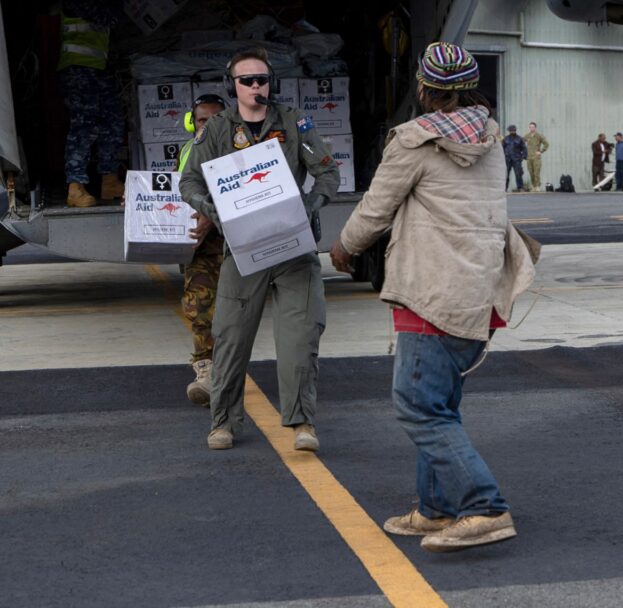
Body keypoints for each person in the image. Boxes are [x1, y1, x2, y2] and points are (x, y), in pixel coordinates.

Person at [329, 42, 539, 553]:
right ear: (469, 88)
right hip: (478, 293)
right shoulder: (490, 138)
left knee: (418, 406)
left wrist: (343, 248)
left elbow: (376, 210)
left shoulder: (415, 141)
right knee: (441, 405)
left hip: (431, 292)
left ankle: (483, 507)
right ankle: (435, 508)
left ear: (424, 89)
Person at [179, 47, 339, 451]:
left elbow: (327, 173)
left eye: (261, 80)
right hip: (244, 249)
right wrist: (213, 210)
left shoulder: (294, 122)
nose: (255, 87)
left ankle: (303, 422)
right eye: (246, 80)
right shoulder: (216, 129)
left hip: (294, 248)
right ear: (232, 86)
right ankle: (223, 423)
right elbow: (189, 182)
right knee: (229, 336)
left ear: (271, 83)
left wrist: (309, 206)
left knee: (301, 337)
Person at [59, 0, 133, 207]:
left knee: (113, 121)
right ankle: (75, 186)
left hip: (99, 69)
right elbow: (108, 16)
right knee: (84, 126)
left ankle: (109, 180)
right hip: (79, 70)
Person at [178, 93, 227, 406]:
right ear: (191, 122)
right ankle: (206, 371)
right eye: (201, 120)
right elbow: (171, 191)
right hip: (200, 249)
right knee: (199, 309)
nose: (206, 127)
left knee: (235, 314)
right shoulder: (187, 152)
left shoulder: (242, 151)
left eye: (215, 120)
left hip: (235, 245)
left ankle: (229, 370)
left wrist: (214, 215)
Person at [524, 122, 549, 191]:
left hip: (536, 157)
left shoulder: (539, 136)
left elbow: (546, 144)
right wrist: (522, 152)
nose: (531, 128)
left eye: (533, 127)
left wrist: (540, 151)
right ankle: (533, 186)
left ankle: (537, 186)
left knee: (536, 172)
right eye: (530, 127)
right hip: (529, 157)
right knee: (530, 172)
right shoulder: (527, 135)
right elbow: (521, 142)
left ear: (535, 128)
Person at [502, 124, 527, 192]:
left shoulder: (519, 138)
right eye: (511, 130)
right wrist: (502, 157)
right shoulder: (505, 139)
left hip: (517, 159)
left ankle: (520, 187)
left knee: (518, 173)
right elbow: (502, 149)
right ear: (509, 131)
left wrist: (523, 156)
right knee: (506, 174)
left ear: (515, 130)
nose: (512, 131)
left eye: (513, 130)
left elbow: (524, 148)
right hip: (507, 159)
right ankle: (504, 188)